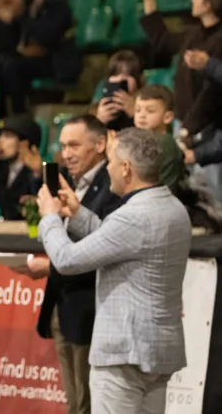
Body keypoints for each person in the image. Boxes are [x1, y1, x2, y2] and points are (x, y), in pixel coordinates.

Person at [36, 128, 191, 414]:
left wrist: (49, 218)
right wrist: (78, 212)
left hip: (124, 356)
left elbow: (67, 259)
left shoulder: (132, 217)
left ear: (126, 168)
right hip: (158, 353)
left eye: (110, 162)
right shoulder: (174, 208)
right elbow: (123, 242)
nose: (107, 169)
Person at [17, 115, 120, 414]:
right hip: (63, 307)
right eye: (63, 146)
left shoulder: (114, 184)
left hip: (93, 312)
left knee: (89, 404)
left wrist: (50, 267)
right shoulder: (70, 182)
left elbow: (107, 249)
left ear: (100, 144)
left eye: (74, 144)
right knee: (74, 403)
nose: (67, 153)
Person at [139, 0, 222, 196]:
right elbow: (163, 39)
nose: (192, 0)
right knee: (183, 187)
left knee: (212, 191)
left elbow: (212, 92)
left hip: (209, 127)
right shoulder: (193, 33)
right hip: (184, 121)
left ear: (208, 5)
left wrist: (189, 128)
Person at [132, 85, 186, 194]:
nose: (142, 115)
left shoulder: (165, 143)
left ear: (168, 117)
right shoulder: (140, 140)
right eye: (137, 110)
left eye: (150, 111)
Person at [95, 50, 144, 132]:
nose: (121, 79)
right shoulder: (100, 106)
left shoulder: (146, 104)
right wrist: (99, 120)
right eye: (115, 74)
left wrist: (134, 113)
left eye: (128, 75)